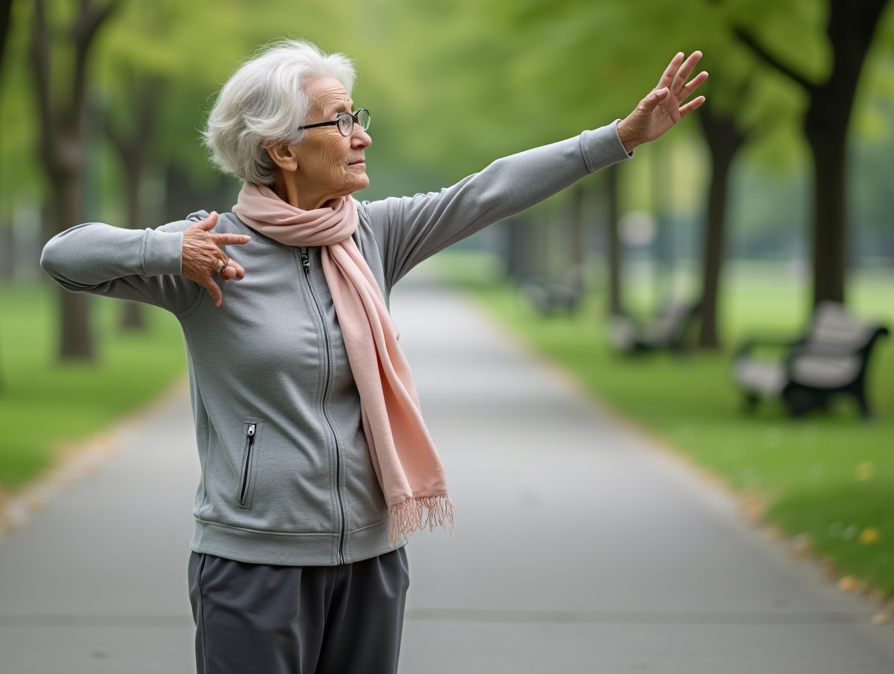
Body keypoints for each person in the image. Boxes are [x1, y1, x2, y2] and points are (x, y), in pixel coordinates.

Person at [40, 40, 707, 674]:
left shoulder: (371, 235)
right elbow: (65, 256)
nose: (361, 134)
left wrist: (618, 138)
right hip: (254, 565)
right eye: (340, 121)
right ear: (282, 149)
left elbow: (486, 191)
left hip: (372, 559)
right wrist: (167, 250)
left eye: (357, 116)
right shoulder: (211, 250)